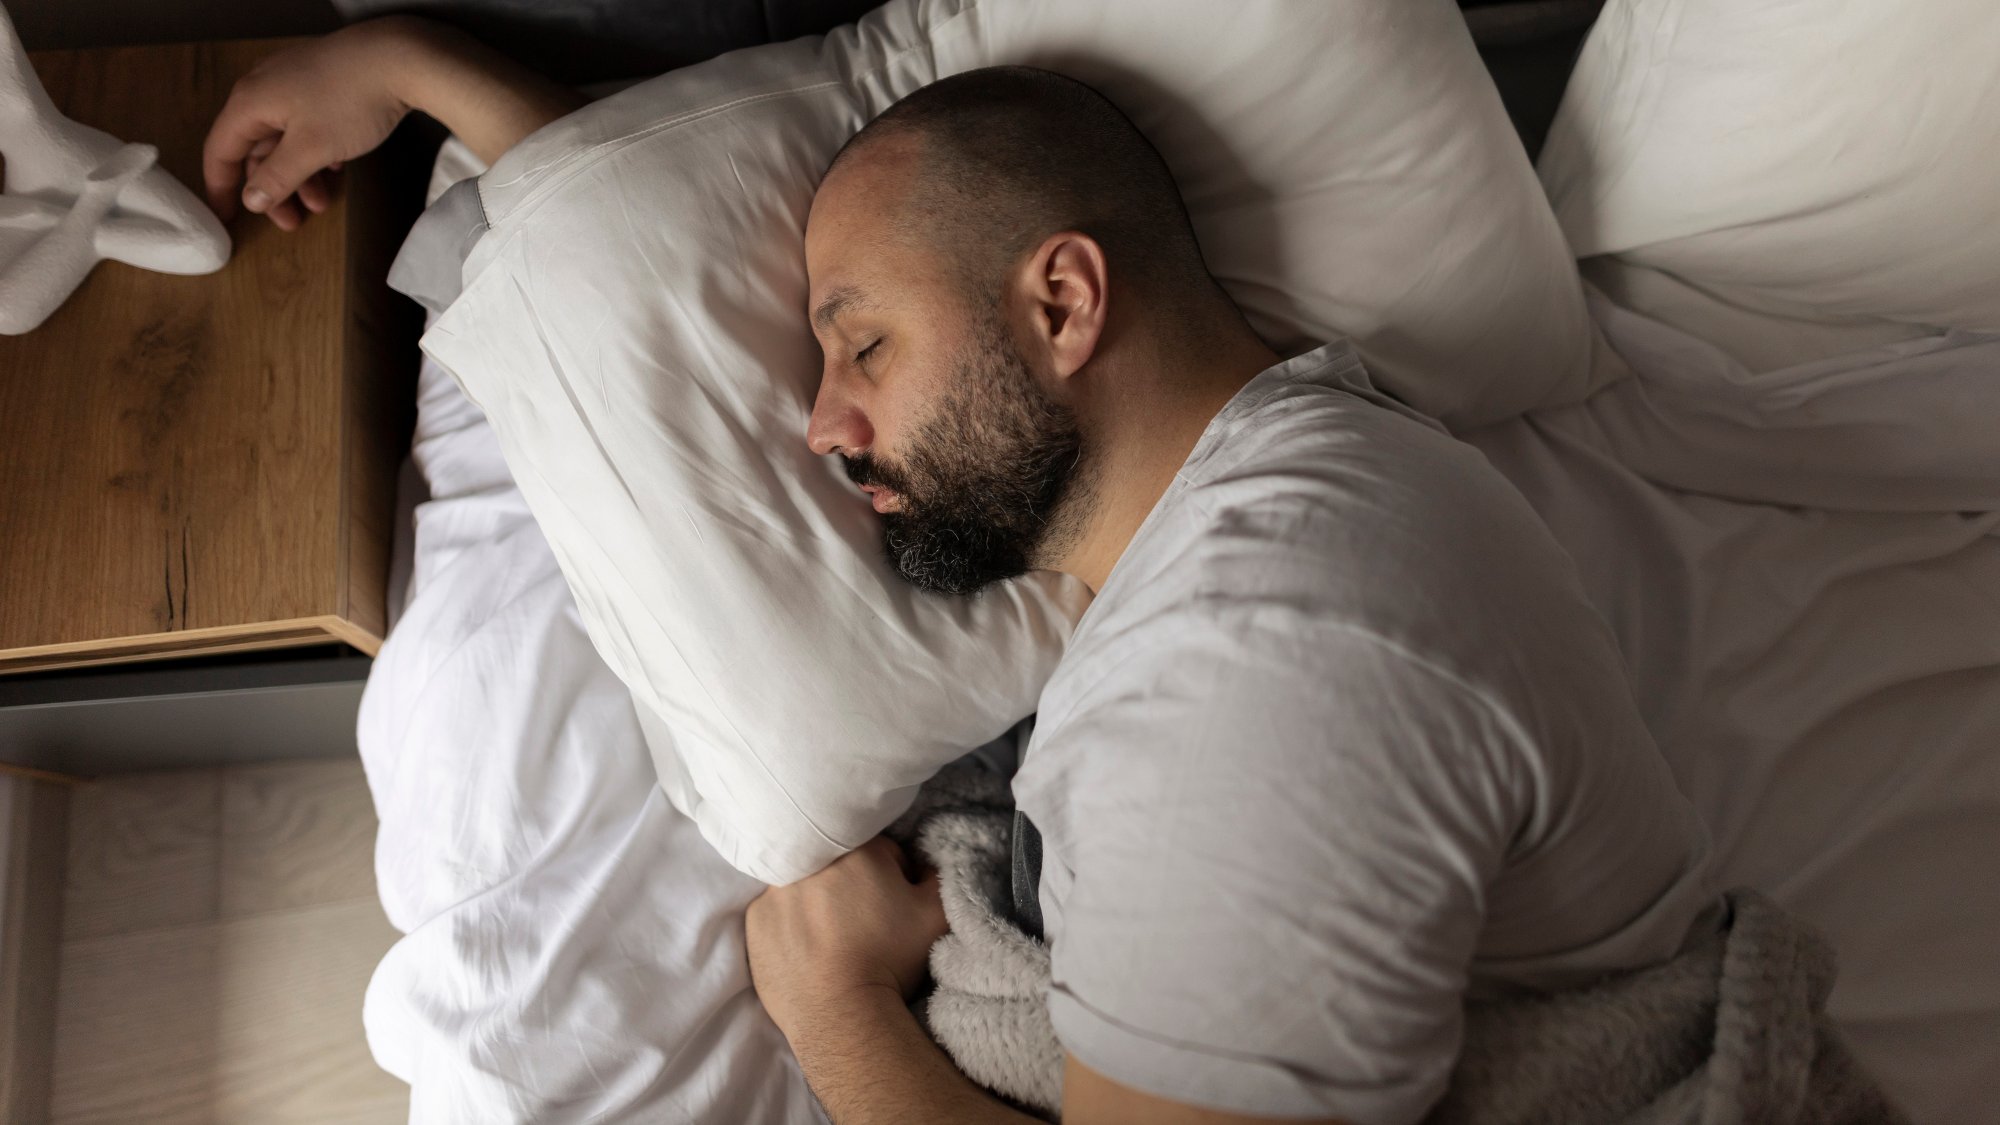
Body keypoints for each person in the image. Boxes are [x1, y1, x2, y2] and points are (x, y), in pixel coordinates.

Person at [207, 22, 1717, 1125]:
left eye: (863, 344)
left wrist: (837, 1012)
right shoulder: (1240, 549)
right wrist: (413, 66)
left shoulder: (1272, 646)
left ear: (1061, 303)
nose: (819, 426)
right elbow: (640, 301)